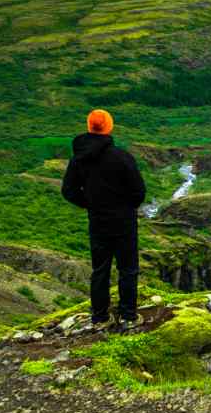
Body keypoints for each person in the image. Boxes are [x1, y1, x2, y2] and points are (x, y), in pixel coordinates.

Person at [60, 109, 146, 329]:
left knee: (100, 269)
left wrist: (90, 203)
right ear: (109, 127)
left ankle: (100, 317)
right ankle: (128, 316)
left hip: (98, 220)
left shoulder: (78, 159)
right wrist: (126, 207)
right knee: (128, 268)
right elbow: (139, 192)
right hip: (124, 221)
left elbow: (68, 191)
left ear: (89, 127)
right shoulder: (122, 157)